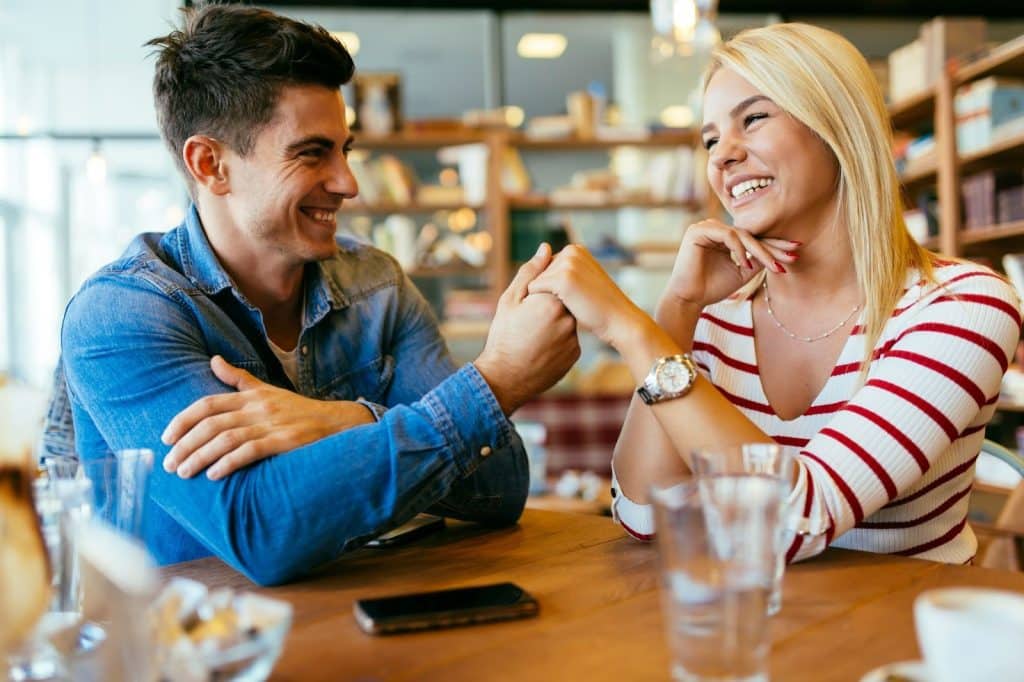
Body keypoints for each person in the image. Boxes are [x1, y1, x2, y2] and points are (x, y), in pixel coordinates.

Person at [50, 4, 579, 585]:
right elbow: (261, 529)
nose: (347, 183)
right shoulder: (122, 314)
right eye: (311, 152)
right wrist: (497, 381)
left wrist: (334, 419)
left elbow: (499, 486)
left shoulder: (376, 285)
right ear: (210, 164)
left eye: (344, 150)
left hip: (359, 632)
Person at [527, 23, 1022, 564]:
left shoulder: (962, 305)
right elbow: (646, 517)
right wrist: (678, 308)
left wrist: (629, 328)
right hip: (756, 629)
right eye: (711, 139)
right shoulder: (714, 319)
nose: (721, 157)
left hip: (903, 639)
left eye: (754, 118)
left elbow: (794, 520)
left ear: (838, 125)